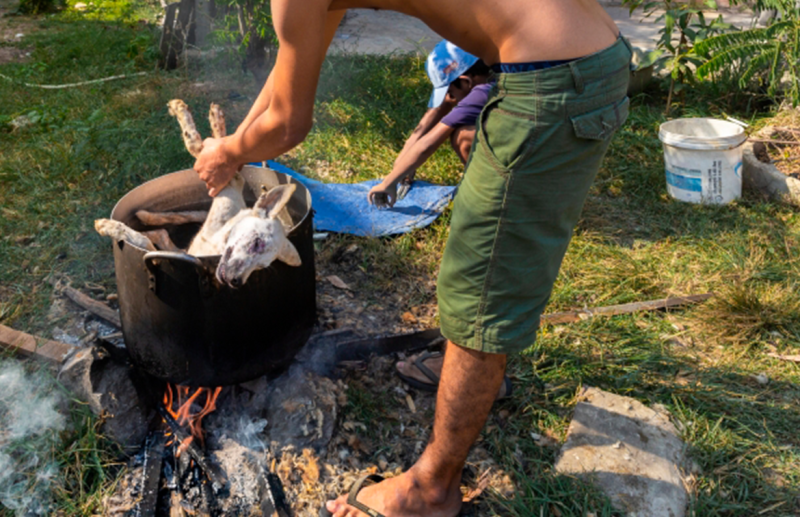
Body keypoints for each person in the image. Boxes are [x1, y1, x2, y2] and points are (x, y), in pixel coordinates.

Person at [192, 0, 630, 514]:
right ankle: (474, 373)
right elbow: (290, 62)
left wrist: (228, 151)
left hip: (552, 75)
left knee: (482, 283)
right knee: (492, 255)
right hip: (577, 51)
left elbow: (289, 123)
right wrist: (237, 146)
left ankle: (430, 491)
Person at [368, 41, 493, 208]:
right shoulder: (493, 74)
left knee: (463, 136)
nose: (451, 99)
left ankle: (490, 195)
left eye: (450, 92)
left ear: (466, 81)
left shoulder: (482, 93)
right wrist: (402, 164)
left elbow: (428, 144)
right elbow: (441, 107)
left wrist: (388, 183)